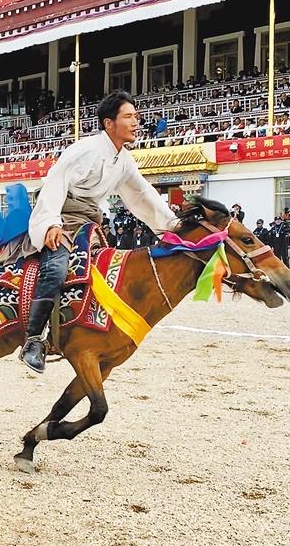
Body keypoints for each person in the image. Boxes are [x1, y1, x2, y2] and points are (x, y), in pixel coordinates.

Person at [20, 91, 181, 373]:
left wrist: (173, 225)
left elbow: (142, 194)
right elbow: (55, 183)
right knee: (57, 268)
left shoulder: (124, 160)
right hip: (62, 214)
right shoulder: (86, 150)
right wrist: (51, 223)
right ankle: (33, 341)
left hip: (88, 220)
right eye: (128, 117)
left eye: (136, 116)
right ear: (109, 123)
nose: (136, 122)